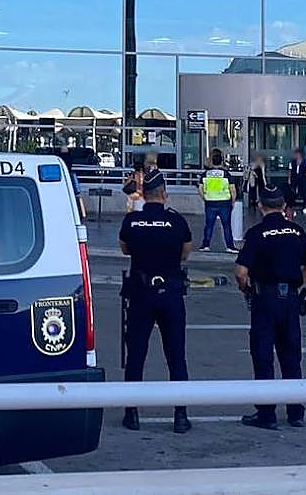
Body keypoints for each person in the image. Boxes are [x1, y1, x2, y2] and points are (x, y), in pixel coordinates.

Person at [235, 186, 306, 430]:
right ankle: (296, 412)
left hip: (265, 299)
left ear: (261, 206)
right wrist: (295, 284)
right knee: (291, 355)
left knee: (263, 355)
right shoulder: (296, 231)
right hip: (290, 300)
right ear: (284, 206)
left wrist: (247, 289)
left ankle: (267, 414)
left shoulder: (257, 233)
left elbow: (241, 272)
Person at [118, 170, 193, 434]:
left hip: (141, 293)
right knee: (176, 356)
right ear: (163, 194)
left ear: (145, 195)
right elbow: (185, 253)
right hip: (170, 293)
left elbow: (124, 248)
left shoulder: (133, 221)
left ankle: (132, 413)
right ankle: (180, 415)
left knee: (136, 353)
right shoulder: (177, 221)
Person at [199, 149, 238, 254]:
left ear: (212, 161)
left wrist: (205, 198)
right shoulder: (226, 174)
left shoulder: (205, 174)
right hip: (224, 203)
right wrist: (232, 202)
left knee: (209, 225)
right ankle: (230, 246)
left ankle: (205, 245)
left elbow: (200, 189)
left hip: (210, 203)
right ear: (221, 162)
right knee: (226, 225)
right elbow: (233, 190)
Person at [288, 149, 306, 215]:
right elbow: (290, 171)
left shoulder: (305, 162)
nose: (297, 155)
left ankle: (305, 207)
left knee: (304, 192)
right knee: (292, 192)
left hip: (303, 178)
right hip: (294, 178)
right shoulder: (292, 162)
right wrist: (289, 179)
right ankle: (291, 208)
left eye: (298, 154)